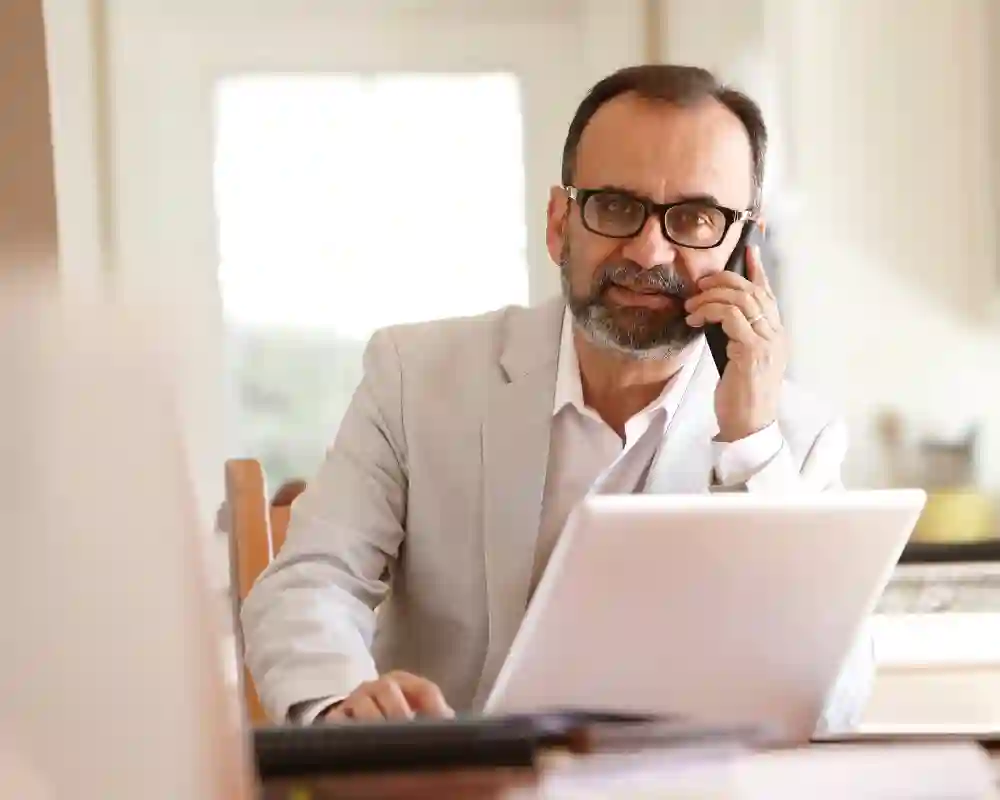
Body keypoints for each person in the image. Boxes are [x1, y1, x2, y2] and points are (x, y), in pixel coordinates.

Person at [241, 63, 872, 730]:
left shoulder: (795, 439)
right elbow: (310, 581)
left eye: (694, 217)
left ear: (746, 249)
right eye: (616, 206)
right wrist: (342, 701)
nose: (649, 247)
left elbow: (831, 702)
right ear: (557, 224)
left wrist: (749, 444)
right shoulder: (415, 377)